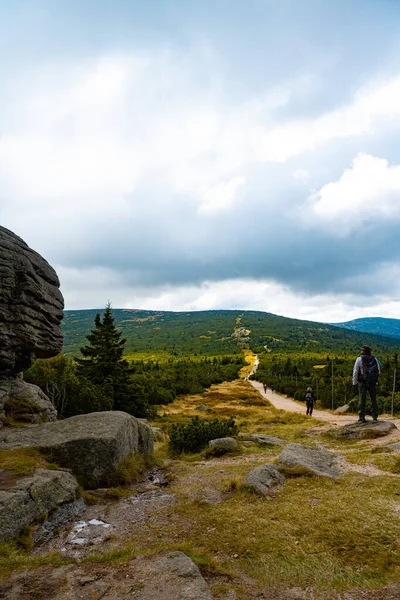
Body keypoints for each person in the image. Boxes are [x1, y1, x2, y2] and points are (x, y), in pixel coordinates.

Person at [352, 345, 382, 423]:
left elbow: (355, 371)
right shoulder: (375, 359)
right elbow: (379, 370)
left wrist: (354, 382)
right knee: (373, 399)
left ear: (362, 351)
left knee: (362, 399)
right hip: (372, 382)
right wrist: (375, 379)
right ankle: (375, 416)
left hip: (363, 382)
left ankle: (361, 417)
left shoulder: (359, 359)